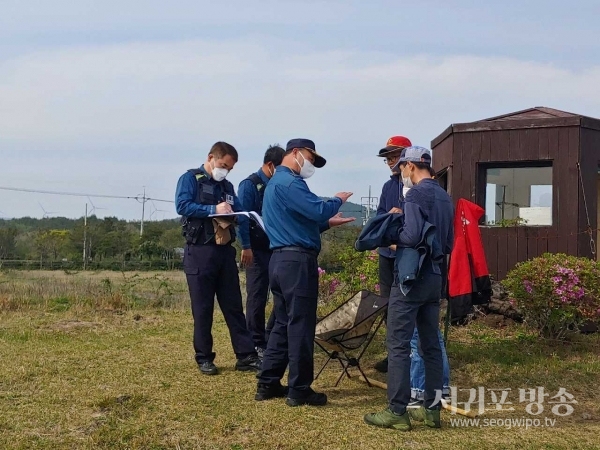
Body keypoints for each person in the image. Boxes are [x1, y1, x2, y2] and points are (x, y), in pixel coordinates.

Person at [255, 138, 354, 406]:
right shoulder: (290, 182)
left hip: (279, 260)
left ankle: (268, 382)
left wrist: (326, 224)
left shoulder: (274, 185)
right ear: (296, 153)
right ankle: (299, 388)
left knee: (282, 323)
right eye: (310, 158)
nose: (310, 164)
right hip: (297, 263)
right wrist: (337, 200)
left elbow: (296, 224)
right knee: (300, 325)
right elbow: (316, 208)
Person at [364, 146, 454, 431]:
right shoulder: (445, 197)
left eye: (402, 167)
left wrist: (392, 237)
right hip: (435, 278)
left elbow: (412, 235)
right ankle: (432, 410)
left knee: (398, 344)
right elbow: (448, 243)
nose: (400, 172)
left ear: (411, 167)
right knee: (430, 345)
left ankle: (397, 411)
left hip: (410, 279)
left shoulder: (414, 195)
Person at [175, 141, 261, 376]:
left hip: (224, 252)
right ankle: (204, 357)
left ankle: (245, 356)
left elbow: (241, 213)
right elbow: (182, 205)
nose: (226, 171)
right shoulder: (190, 179)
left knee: (234, 306)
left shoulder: (228, 186)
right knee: (203, 309)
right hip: (200, 251)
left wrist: (242, 222)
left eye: (230, 168)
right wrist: (213, 210)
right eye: (223, 165)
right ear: (211, 157)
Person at [238, 144, 286, 357]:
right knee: (257, 297)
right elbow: (242, 218)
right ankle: (255, 341)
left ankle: (269, 336)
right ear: (270, 165)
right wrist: (246, 246)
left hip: (276, 248)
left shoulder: (278, 186)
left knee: (281, 294)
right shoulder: (250, 185)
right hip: (256, 250)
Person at [373, 135, 412, 373]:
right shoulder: (388, 186)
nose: (390, 161)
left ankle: (410, 354)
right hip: (387, 254)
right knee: (388, 305)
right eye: (387, 158)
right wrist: (388, 216)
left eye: (394, 156)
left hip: (407, 255)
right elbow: (379, 215)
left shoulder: (416, 186)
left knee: (407, 304)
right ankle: (393, 355)